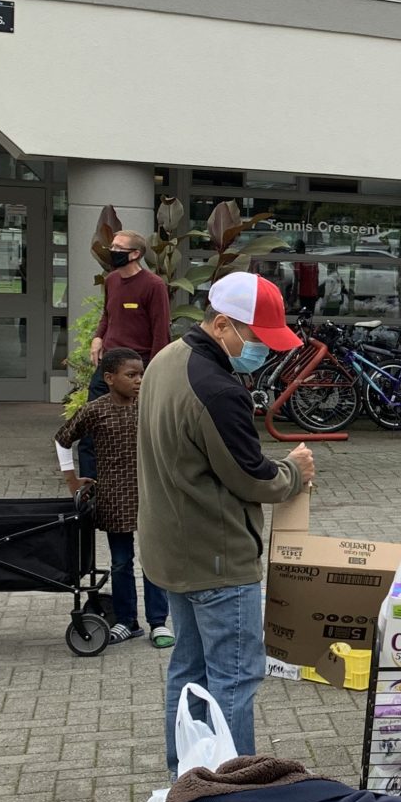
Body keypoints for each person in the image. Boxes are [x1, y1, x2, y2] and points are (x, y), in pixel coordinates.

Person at [138, 270, 316, 773]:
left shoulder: (166, 360)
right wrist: (294, 473)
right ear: (222, 325)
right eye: (258, 340)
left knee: (187, 671)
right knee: (234, 679)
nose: (265, 352)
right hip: (217, 558)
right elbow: (251, 476)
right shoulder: (217, 389)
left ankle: (186, 773)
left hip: (169, 547)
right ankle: (234, 790)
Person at [55, 348, 172, 647]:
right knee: (121, 562)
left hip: (150, 495)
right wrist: (72, 480)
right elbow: (63, 438)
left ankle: (158, 622)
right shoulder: (96, 410)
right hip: (114, 498)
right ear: (109, 378)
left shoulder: (150, 405)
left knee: (153, 561)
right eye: (131, 375)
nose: (139, 381)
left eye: (142, 374)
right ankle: (125, 621)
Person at [80, 229, 174, 515]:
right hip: (108, 363)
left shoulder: (153, 285)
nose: (112, 250)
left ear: (135, 254)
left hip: (136, 366)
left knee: (137, 427)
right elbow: (108, 315)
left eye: (118, 247)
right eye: (112, 245)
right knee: (91, 422)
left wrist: (152, 374)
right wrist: (98, 337)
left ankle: (139, 485)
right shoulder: (111, 280)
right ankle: (89, 485)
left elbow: (161, 332)